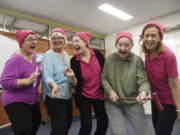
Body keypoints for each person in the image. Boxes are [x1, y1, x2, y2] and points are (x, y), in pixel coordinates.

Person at [101, 32, 152, 135]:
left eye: (126, 45)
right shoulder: (109, 59)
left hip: (132, 101)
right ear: (116, 45)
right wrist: (110, 91)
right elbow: (104, 78)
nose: (123, 48)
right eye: (120, 45)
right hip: (112, 102)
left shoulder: (137, 60)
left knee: (144, 131)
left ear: (131, 46)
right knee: (117, 132)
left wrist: (143, 91)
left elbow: (143, 80)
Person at [141, 21, 180, 135]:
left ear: (159, 38)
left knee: (162, 132)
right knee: (157, 128)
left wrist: (179, 109)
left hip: (169, 101)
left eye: (153, 35)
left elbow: (174, 85)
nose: (149, 38)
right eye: (146, 35)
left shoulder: (168, 56)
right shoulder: (147, 53)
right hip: (156, 99)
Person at [0, 30, 42, 135]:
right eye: (30, 39)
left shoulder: (37, 57)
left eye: (35, 39)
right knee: (24, 129)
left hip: (32, 100)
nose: (34, 42)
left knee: (36, 122)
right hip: (15, 100)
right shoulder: (15, 60)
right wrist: (26, 81)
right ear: (21, 43)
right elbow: (4, 82)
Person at [70, 31, 108, 135]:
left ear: (85, 42)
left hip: (99, 95)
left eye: (77, 41)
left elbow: (106, 74)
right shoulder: (74, 60)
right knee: (86, 125)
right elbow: (75, 84)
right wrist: (72, 76)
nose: (74, 44)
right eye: (73, 42)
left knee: (103, 123)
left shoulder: (98, 55)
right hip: (84, 96)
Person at [42, 28, 77, 135]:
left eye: (60, 37)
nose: (57, 40)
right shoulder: (48, 55)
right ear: (51, 41)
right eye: (54, 38)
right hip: (54, 96)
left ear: (65, 40)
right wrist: (54, 86)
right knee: (59, 126)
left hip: (67, 95)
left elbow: (67, 74)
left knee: (68, 122)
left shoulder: (66, 55)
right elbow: (46, 75)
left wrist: (72, 76)